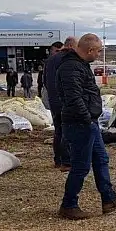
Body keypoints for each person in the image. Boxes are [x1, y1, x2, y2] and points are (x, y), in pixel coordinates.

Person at [56, 33, 116, 220]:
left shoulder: (80, 65)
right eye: (98, 51)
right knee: (81, 166)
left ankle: (109, 199)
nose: (99, 55)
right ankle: (68, 205)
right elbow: (73, 98)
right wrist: (87, 117)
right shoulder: (71, 67)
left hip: (89, 122)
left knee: (101, 159)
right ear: (89, 50)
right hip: (80, 123)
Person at [45, 38, 76, 171]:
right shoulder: (67, 59)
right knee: (67, 131)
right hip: (64, 101)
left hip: (53, 100)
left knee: (58, 131)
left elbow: (45, 81)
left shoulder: (50, 60)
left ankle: (58, 160)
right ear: (70, 46)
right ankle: (67, 161)